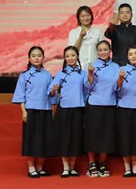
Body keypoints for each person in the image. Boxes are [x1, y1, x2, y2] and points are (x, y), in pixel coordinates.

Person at [13, 46, 54, 178]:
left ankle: (40, 168)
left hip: (45, 110)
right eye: (34, 56)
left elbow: (51, 95)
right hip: (31, 110)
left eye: (39, 56)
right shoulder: (24, 75)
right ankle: (31, 168)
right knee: (31, 139)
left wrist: (54, 91)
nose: (36, 58)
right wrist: (23, 111)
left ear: (43, 58)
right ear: (29, 58)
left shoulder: (48, 75)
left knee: (44, 139)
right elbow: (20, 95)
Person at [83, 40, 119, 178]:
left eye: (105, 49)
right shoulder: (92, 65)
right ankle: (92, 163)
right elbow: (88, 86)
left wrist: (121, 79)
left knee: (107, 135)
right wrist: (90, 73)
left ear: (110, 51)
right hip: (94, 104)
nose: (103, 52)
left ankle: (102, 162)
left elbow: (117, 87)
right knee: (92, 134)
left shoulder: (115, 67)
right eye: (100, 50)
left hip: (109, 103)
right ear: (97, 52)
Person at [50, 46, 87, 178]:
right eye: (67, 56)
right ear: (64, 58)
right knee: (65, 138)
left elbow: (87, 91)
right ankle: (65, 167)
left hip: (78, 108)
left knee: (76, 137)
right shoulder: (60, 73)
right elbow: (51, 92)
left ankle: (72, 167)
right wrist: (54, 90)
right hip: (64, 109)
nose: (70, 58)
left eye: (73, 55)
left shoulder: (83, 73)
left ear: (77, 56)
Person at [115, 46, 136, 178]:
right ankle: (127, 168)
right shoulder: (121, 70)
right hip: (124, 108)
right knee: (125, 138)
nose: (134, 56)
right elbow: (116, 88)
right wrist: (120, 78)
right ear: (127, 57)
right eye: (131, 54)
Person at [105, 3, 136, 69]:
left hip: (135, 67)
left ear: (132, 15)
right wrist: (111, 25)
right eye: (122, 13)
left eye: (127, 12)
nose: (125, 15)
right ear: (118, 15)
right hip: (118, 66)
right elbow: (109, 33)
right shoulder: (115, 29)